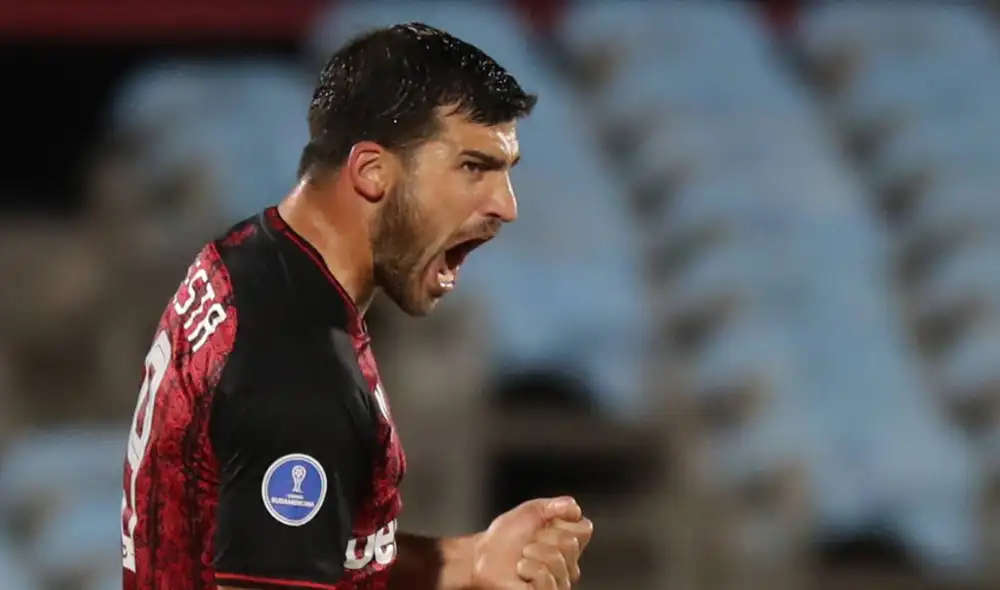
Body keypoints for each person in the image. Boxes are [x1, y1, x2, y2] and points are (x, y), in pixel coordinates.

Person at [120, 22, 593, 590]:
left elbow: (312, 547)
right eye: (473, 167)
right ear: (372, 172)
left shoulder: (251, 257)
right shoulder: (300, 373)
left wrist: (471, 560)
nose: (506, 207)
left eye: (505, 172)